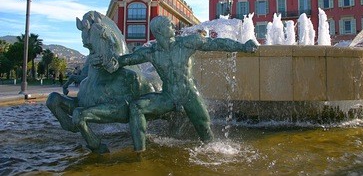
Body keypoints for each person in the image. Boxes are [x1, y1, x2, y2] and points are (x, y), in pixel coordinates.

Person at [91, 16, 259, 152]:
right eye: (168, 25)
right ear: (159, 31)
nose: (173, 25)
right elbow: (126, 60)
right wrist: (110, 62)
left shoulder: (187, 43)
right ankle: (139, 152)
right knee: (136, 107)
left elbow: (216, 43)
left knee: (203, 125)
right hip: (168, 96)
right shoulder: (152, 51)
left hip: (188, 94)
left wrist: (243, 46)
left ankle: (210, 150)